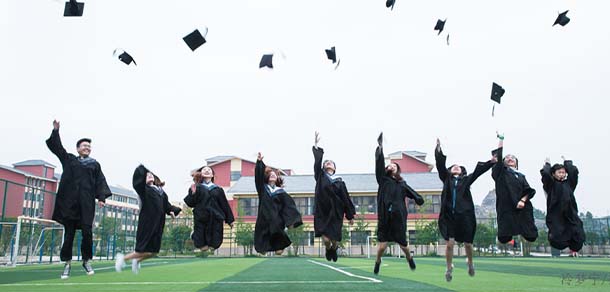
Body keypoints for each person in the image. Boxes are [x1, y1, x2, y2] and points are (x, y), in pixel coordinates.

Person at [46, 120, 112, 279]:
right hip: (70, 204)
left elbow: (100, 181)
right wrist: (56, 130)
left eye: (89, 147)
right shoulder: (69, 160)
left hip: (86, 205)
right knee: (69, 234)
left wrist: (101, 197)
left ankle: (86, 260)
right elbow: (57, 148)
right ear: (78, 148)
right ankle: (67, 264)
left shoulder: (94, 164)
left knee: (87, 233)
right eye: (84, 146)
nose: (87, 148)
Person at [435, 138, 496, 282]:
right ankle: (449, 268)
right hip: (449, 216)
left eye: (459, 167)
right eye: (453, 167)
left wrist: (491, 162)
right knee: (449, 243)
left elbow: (478, 171)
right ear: (450, 171)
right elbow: (440, 165)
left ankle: (470, 262)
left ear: (462, 171)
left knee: (468, 244)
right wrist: (438, 150)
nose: (456, 167)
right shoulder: (446, 179)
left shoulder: (466, 180)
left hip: (465, 216)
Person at [373, 133, 424, 275]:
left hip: (398, 216)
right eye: (389, 165)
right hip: (385, 216)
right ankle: (378, 261)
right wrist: (380, 148)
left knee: (403, 245)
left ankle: (409, 258)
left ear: (398, 170)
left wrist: (419, 200)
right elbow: (379, 163)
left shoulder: (402, 184)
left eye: (394, 165)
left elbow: (413, 194)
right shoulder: (382, 179)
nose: (391, 166)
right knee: (382, 246)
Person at [115, 165, 181, 274]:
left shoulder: (161, 192)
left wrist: (172, 211)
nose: (149, 175)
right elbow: (138, 182)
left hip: (158, 225)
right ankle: (122, 258)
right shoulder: (144, 190)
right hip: (147, 224)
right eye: (146, 175)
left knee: (154, 252)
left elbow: (167, 206)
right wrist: (143, 168)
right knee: (141, 250)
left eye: (151, 174)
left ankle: (136, 260)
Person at [312, 132, 356, 262]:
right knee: (326, 239)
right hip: (322, 211)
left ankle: (334, 248)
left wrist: (350, 216)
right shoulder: (320, 177)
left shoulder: (340, 182)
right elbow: (317, 163)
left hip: (336, 212)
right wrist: (316, 146)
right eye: (326, 163)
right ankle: (328, 248)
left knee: (335, 238)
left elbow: (346, 199)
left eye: (331, 163)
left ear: (335, 168)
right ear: (324, 167)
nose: (328, 163)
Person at [491, 133, 538, 245]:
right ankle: (509, 239)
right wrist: (501, 140)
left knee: (531, 236)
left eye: (513, 157)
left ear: (516, 164)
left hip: (522, 207)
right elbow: (498, 158)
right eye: (507, 157)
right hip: (507, 207)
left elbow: (528, 190)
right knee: (504, 237)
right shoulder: (501, 173)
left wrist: (523, 200)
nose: (510, 158)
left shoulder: (521, 176)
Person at [254, 152, 303, 255]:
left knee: (279, 252)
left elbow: (289, 206)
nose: (272, 175)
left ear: (277, 179)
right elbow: (258, 176)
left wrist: (291, 222)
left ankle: (277, 246)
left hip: (276, 222)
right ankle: (265, 247)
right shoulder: (262, 189)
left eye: (274, 175)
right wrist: (259, 162)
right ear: (266, 177)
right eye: (270, 174)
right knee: (262, 251)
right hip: (263, 222)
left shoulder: (281, 192)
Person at [184, 165, 235, 253]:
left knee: (215, 242)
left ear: (212, 175)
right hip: (201, 216)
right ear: (200, 173)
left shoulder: (218, 189)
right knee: (202, 244)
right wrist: (193, 193)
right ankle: (196, 237)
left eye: (209, 170)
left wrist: (230, 220)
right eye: (204, 170)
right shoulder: (196, 187)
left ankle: (212, 244)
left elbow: (224, 204)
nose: (207, 171)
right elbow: (190, 203)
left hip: (216, 216)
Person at [541, 156, 585, 255]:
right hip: (556, 215)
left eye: (563, 172)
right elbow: (546, 175)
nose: (562, 174)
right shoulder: (550, 185)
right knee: (558, 238)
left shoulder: (569, 184)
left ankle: (574, 250)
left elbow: (573, 173)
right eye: (559, 172)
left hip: (571, 214)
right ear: (554, 174)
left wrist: (567, 162)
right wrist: (547, 164)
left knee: (577, 233)